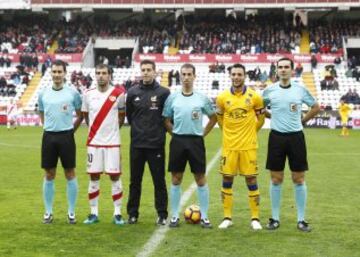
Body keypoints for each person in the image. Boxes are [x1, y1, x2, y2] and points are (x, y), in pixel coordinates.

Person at [262, 57, 320, 232]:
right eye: (280, 67)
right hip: (276, 138)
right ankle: (274, 218)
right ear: (276, 70)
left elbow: (316, 107)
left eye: (287, 67)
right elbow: (259, 109)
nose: (283, 70)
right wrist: (273, 117)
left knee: (299, 179)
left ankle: (301, 219)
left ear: (292, 70)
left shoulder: (300, 90)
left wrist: (302, 121)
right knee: (276, 179)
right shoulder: (269, 91)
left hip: (296, 138)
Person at [163, 63, 217, 228]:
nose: (186, 77)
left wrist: (203, 133)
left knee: (200, 178)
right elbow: (165, 119)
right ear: (180, 76)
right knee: (176, 178)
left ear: (194, 76)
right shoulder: (172, 98)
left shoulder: (202, 98)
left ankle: (205, 216)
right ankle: (174, 216)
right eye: (183, 74)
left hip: (195, 141)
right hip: (178, 141)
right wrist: (175, 134)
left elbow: (213, 117)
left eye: (189, 74)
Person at [216, 63, 265, 230]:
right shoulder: (222, 98)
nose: (236, 77)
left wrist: (251, 132)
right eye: (234, 74)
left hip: (248, 147)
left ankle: (255, 218)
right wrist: (229, 134)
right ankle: (227, 217)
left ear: (245, 76)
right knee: (227, 179)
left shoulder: (255, 97)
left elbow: (261, 120)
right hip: (229, 147)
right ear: (230, 76)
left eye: (239, 74)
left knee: (251, 179)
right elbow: (220, 120)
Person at [37, 60, 82, 224]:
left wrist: (71, 130)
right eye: (54, 72)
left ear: (64, 73)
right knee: (49, 174)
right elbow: (41, 112)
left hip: (67, 137)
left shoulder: (73, 93)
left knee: (70, 173)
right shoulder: (43, 93)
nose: (56, 75)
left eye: (59, 72)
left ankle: (71, 212)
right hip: (49, 136)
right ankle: (48, 212)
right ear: (51, 73)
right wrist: (48, 126)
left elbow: (80, 114)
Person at [126, 60, 170, 225]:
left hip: (156, 144)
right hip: (137, 144)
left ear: (154, 71)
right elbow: (130, 117)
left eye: (148, 70)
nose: (145, 72)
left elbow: (167, 117)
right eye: (143, 70)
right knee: (134, 181)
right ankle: (132, 213)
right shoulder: (132, 92)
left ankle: (162, 214)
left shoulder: (164, 93)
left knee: (159, 181)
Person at [81, 64, 126, 225]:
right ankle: (93, 213)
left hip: (113, 143)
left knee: (115, 176)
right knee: (94, 177)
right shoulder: (87, 95)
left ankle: (118, 213)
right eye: (98, 73)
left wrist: (112, 131)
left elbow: (121, 117)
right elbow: (86, 116)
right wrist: (96, 132)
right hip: (94, 142)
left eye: (104, 73)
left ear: (109, 75)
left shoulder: (119, 94)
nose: (101, 76)